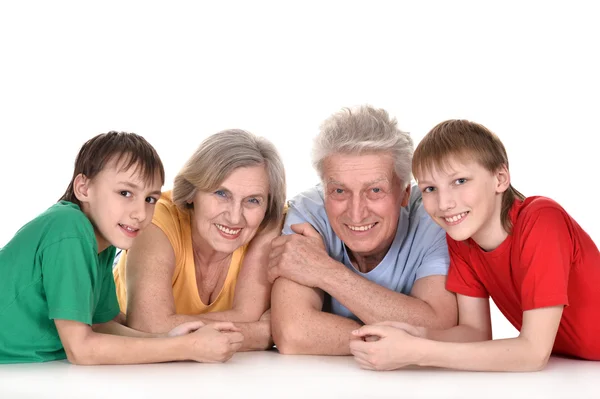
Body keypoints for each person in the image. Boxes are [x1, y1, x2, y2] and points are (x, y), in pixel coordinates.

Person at [350, 119, 600, 371]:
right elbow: (474, 333)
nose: (445, 203)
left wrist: (418, 352)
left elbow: (533, 353)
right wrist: (415, 334)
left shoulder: (542, 220)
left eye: (460, 181)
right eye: (430, 188)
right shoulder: (462, 241)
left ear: (500, 178)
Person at [0, 131, 244, 365]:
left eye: (150, 199)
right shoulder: (69, 228)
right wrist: (188, 348)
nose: (140, 214)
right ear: (83, 188)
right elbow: (81, 349)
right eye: (125, 192)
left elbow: (101, 323)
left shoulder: (102, 245)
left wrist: (171, 339)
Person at [269, 105, 458, 355]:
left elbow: (441, 327)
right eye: (339, 191)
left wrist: (324, 270)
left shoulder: (432, 216)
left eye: (375, 191)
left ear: (404, 194)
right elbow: (295, 333)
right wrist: (403, 336)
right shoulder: (309, 212)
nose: (356, 213)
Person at [113, 129, 286, 351]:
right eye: (221, 194)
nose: (235, 217)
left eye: (253, 200)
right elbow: (149, 326)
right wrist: (262, 334)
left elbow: (247, 314)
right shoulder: (156, 220)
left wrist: (172, 324)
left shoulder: (268, 225)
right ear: (193, 191)